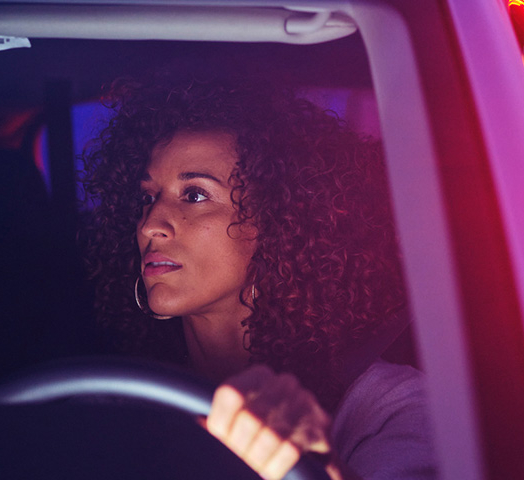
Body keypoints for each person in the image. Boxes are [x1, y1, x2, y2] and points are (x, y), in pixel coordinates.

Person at [81, 76, 433, 480]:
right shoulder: (121, 398)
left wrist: (314, 467)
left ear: (281, 223)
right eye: (147, 198)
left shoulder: (388, 407)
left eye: (194, 195)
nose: (149, 226)